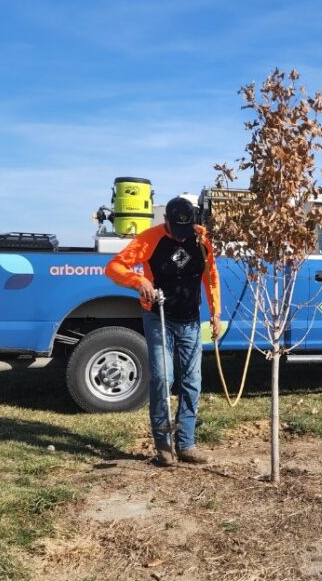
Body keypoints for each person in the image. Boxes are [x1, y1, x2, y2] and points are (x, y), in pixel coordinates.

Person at [104, 196, 221, 465]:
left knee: (192, 382)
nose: (181, 237)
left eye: (186, 230)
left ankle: (187, 443)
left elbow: (211, 276)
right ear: (166, 221)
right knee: (163, 378)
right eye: (176, 231)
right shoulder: (149, 239)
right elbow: (114, 267)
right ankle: (163, 446)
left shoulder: (201, 240)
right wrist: (138, 280)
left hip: (191, 319)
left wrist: (215, 313)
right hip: (159, 317)